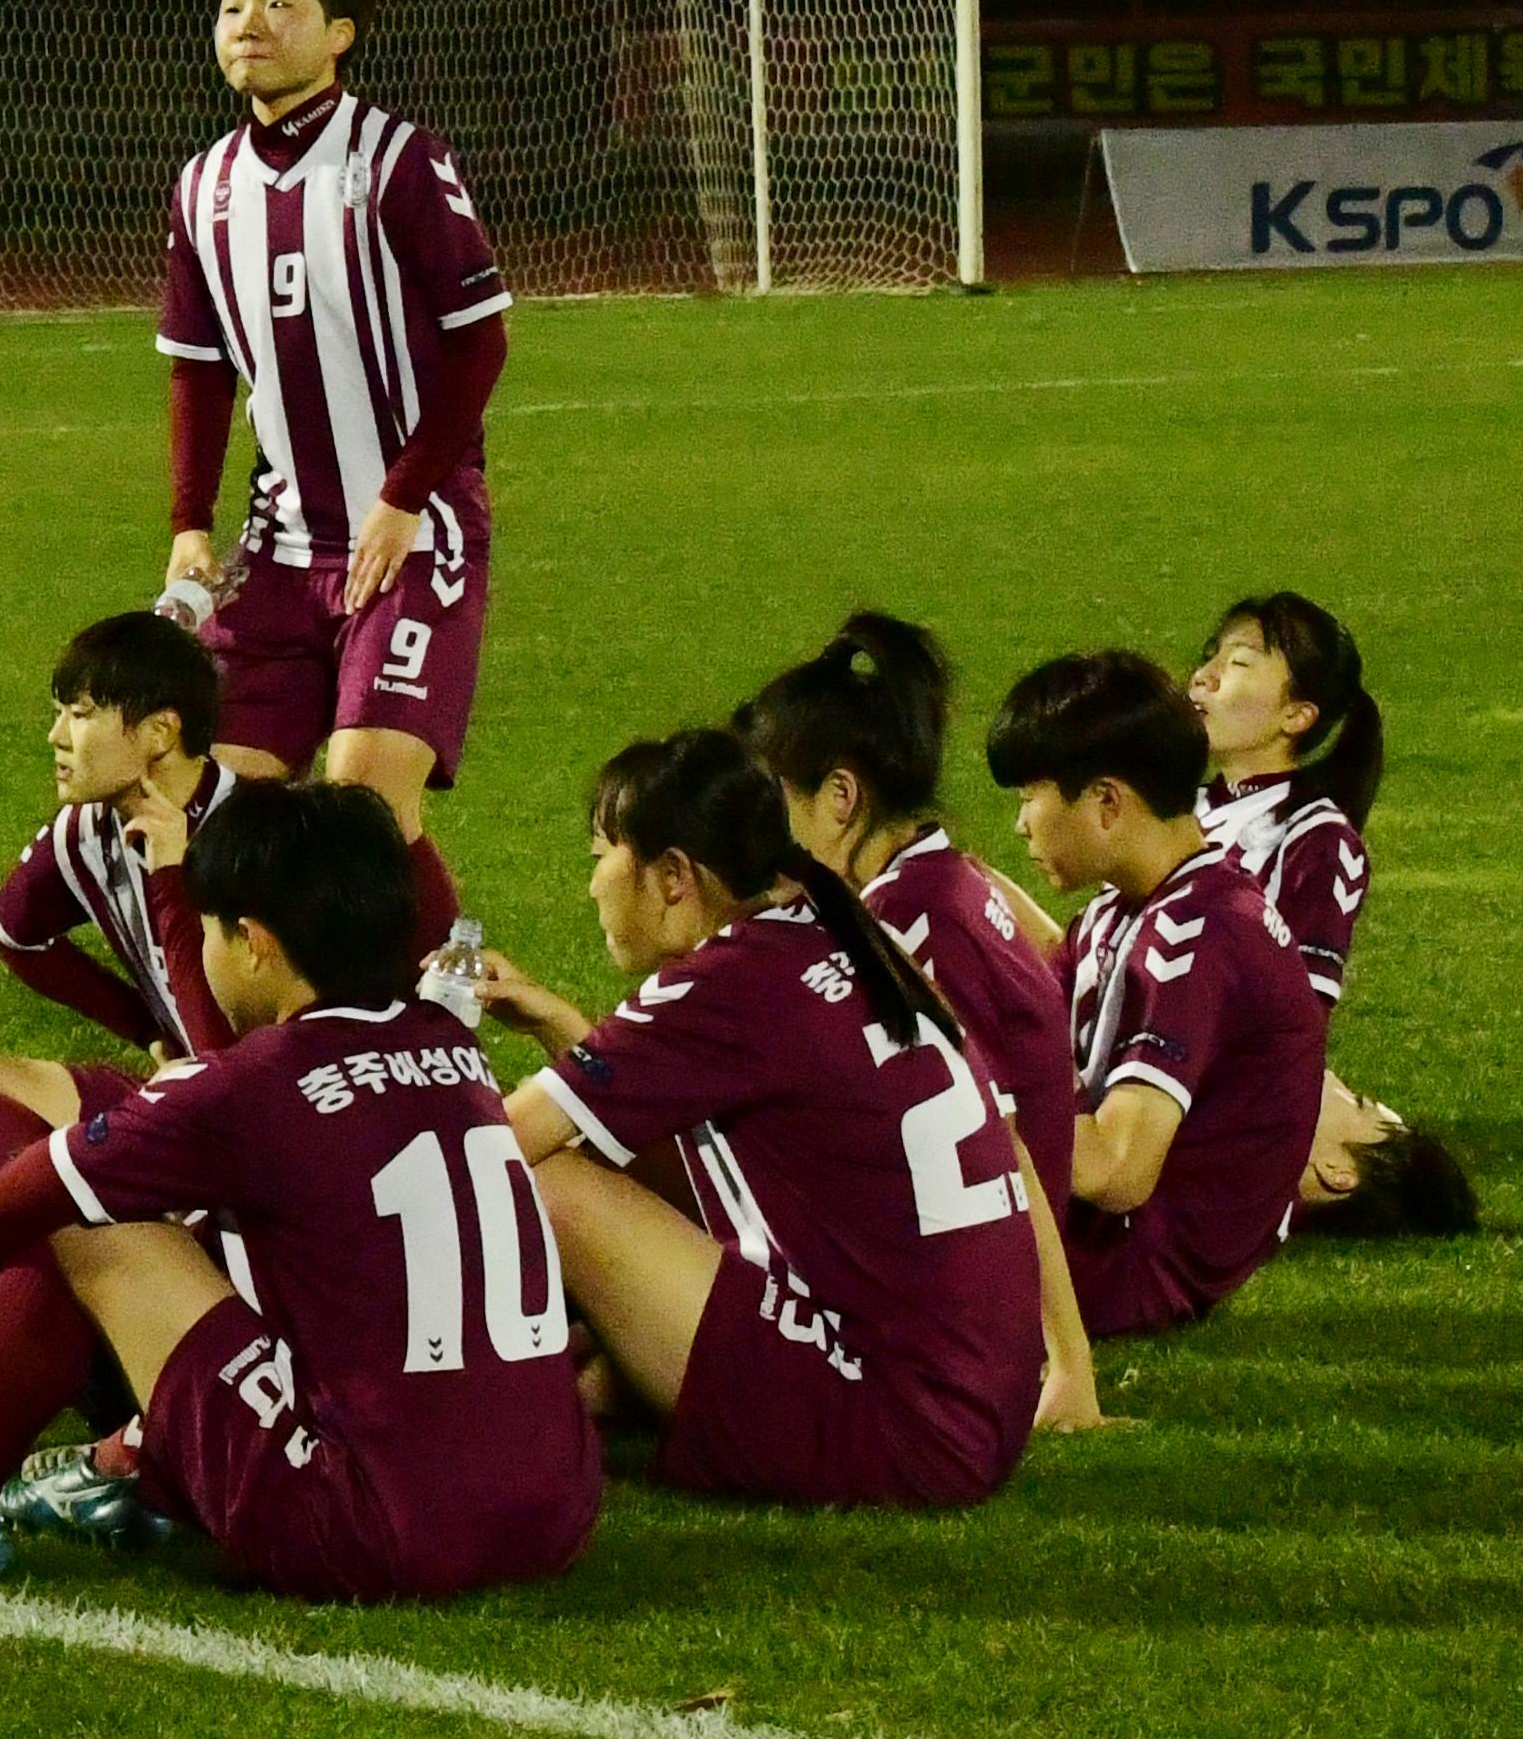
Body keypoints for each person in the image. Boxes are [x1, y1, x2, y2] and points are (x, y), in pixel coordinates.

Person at [0, 784, 595, 1604]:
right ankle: (130, 1465)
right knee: (256, 1242)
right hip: (555, 1512)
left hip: (370, 1532)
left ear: (253, 942)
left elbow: (17, 1202)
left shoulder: (252, 1088)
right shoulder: (451, 1045)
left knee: (91, 1227)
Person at [476, 729, 1094, 1505]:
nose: (591, 885)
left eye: (600, 855)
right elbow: (684, 1156)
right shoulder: (849, 934)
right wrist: (554, 1023)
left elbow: (488, 1152)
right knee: (604, 1206)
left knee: (553, 1188)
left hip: (896, 1425)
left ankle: (441, 1394)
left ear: (673, 877)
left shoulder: (731, 985)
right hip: (975, 1410)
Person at [154, 0, 503, 948]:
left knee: (361, 803)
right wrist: (187, 521)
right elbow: (201, 368)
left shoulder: (400, 163)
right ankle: (228, 1025)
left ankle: (441, 991)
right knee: (215, 804)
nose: (249, 24)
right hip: (281, 551)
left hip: (412, 538)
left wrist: (403, 499)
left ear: (341, 31)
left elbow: (481, 346)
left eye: (280, 2)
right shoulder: (201, 186)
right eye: (232, 6)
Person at [726, 610, 1082, 1294]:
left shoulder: (906, 924)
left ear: (839, 797)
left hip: (963, 1285)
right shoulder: (942, 883)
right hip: (990, 1268)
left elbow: (993, 1144)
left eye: (768, 801)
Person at [986, 647, 1330, 1341]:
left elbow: (1117, 1171)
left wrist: (972, 1103)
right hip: (1114, 1250)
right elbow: (1029, 1022)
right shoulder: (1138, 907)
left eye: (1031, 795)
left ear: (1107, 803)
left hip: (1130, 1269)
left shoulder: (1196, 933)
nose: (1022, 823)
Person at [0, 610, 244, 1153]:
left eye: (80, 714)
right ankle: (65, 1177)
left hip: (263, 1111)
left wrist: (173, 878)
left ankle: (69, 1180)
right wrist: (150, 1032)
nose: (55, 735)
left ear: (160, 732)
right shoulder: (87, 831)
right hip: (184, 1095)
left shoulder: (258, 839)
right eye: (60, 713)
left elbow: (255, 1061)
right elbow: (14, 934)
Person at [1188, 590, 1467, 1233]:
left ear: (1297, 715)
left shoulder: (1314, 836)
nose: (1203, 677)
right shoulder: (1181, 811)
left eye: (1239, 663)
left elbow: (1296, 1016)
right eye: (1210, 657)